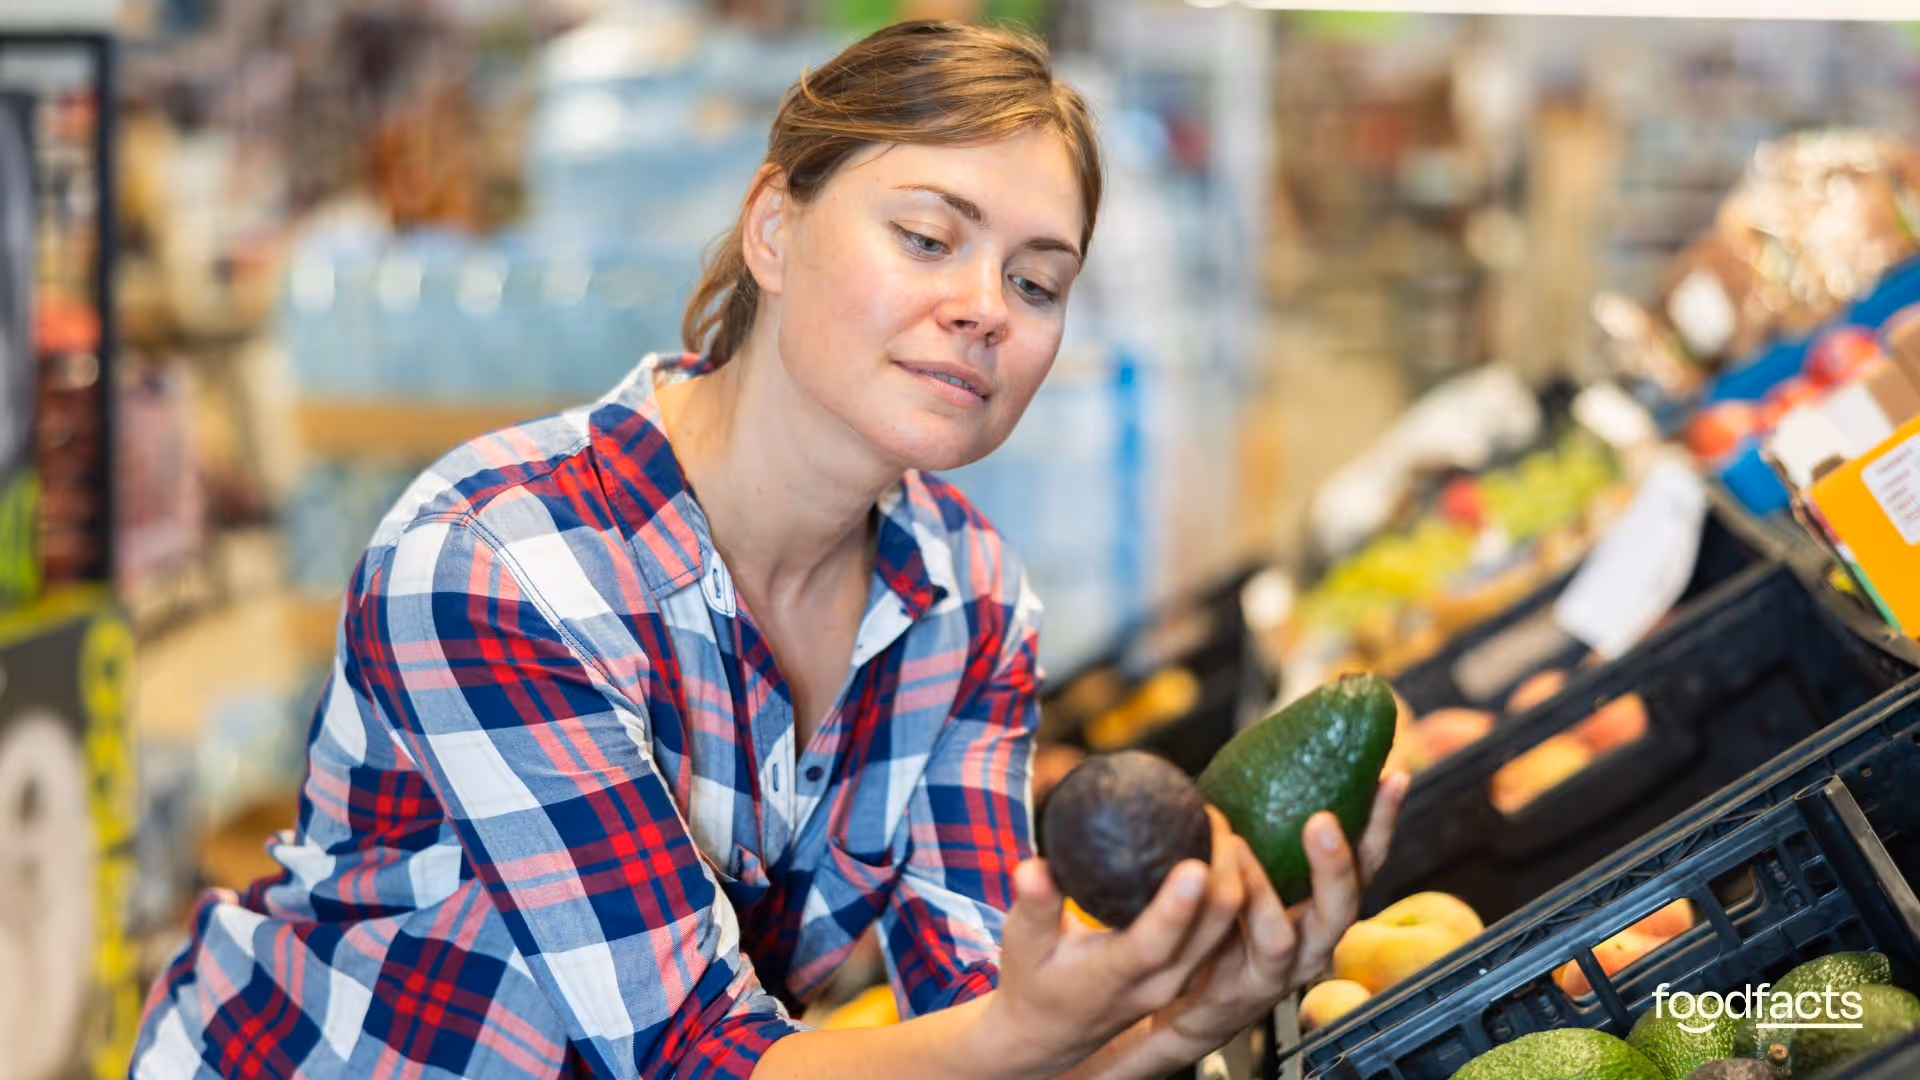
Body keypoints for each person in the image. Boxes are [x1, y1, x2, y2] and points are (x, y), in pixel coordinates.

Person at [132, 20, 1407, 1080]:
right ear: (774, 231)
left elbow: (969, 1020)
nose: (981, 308)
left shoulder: (964, 598)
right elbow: (699, 1055)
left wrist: (1186, 1016)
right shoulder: (498, 563)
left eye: (1036, 281)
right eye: (926, 237)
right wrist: (1023, 1031)